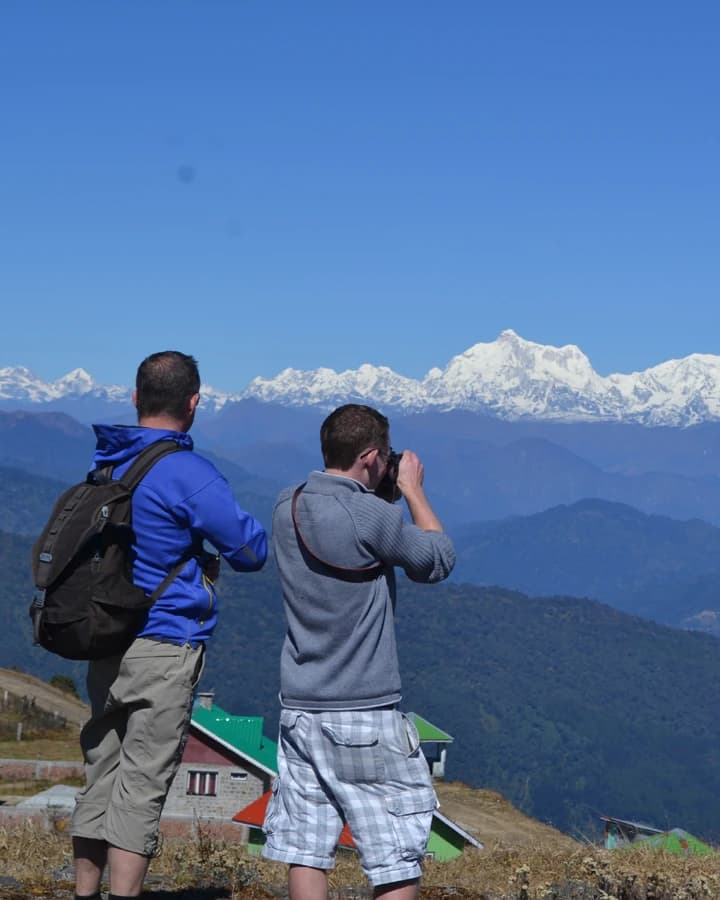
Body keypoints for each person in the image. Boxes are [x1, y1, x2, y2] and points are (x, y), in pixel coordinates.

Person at [71, 351, 268, 900]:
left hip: (105, 638)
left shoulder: (107, 463)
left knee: (101, 775)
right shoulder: (188, 472)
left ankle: (84, 892)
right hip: (165, 644)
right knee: (141, 784)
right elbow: (251, 550)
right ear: (194, 403)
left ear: (135, 398)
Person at [263, 403, 455, 900]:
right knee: (393, 855)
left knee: (306, 848)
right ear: (370, 456)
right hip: (364, 711)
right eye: (386, 456)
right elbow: (436, 559)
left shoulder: (287, 504)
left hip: (300, 708)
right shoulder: (370, 513)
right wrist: (411, 488)